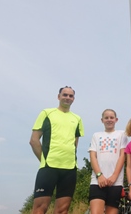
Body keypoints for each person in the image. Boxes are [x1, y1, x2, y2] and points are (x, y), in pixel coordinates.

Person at [29, 86, 84, 214]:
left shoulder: (77, 119)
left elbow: (74, 144)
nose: (67, 98)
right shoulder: (46, 113)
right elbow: (34, 140)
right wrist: (45, 160)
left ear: (73, 99)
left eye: (70, 96)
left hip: (69, 168)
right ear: (58, 97)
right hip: (49, 167)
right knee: (39, 209)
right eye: (65, 95)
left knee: (62, 210)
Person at [88, 109, 128, 214]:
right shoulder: (96, 135)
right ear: (102, 120)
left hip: (115, 182)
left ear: (116, 119)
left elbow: (122, 156)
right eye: (106, 118)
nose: (109, 120)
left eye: (111, 117)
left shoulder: (122, 134)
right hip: (97, 181)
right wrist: (99, 175)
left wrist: (114, 175)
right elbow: (93, 156)